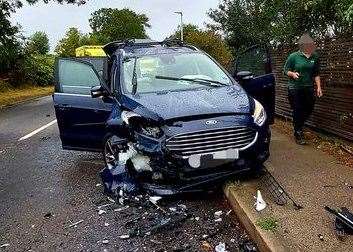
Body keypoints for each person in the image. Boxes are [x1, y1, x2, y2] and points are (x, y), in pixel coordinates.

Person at [283, 33, 323, 145]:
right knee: (298, 109)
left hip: (308, 87)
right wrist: (292, 74)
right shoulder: (293, 56)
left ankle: (298, 124)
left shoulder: (315, 57)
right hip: (295, 88)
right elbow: (285, 70)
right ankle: (298, 132)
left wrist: (319, 87)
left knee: (310, 107)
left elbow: (316, 73)